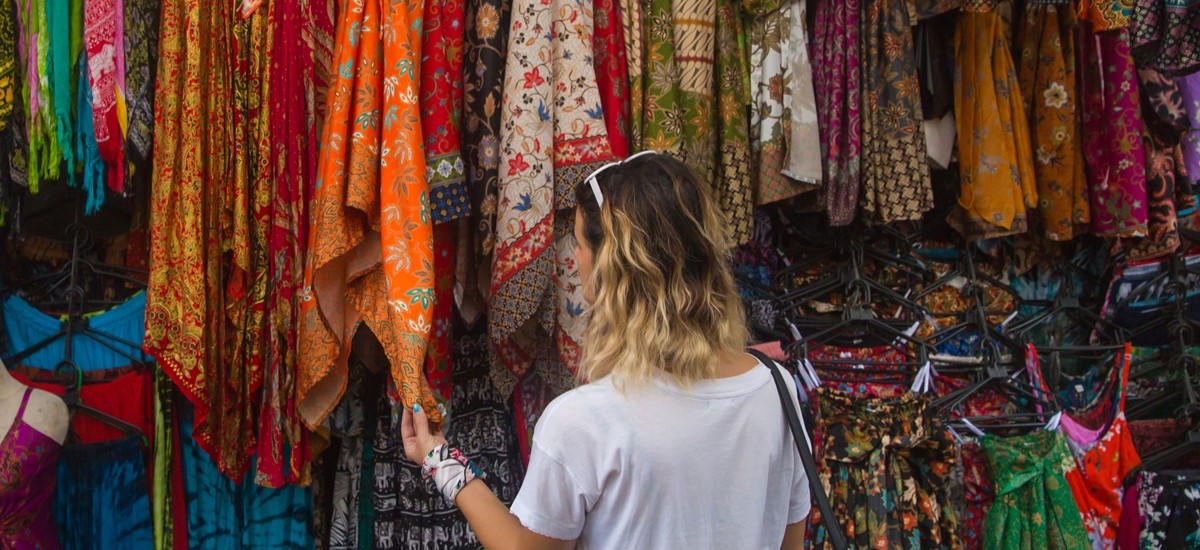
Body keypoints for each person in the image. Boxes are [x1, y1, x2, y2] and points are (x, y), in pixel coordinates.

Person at [402, 152, 810, 549]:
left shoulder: (584, 423)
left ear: (610, 267)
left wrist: (439, 459)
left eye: (579, 242)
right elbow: (788, 540)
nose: (574, 255)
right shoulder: (779, 390)